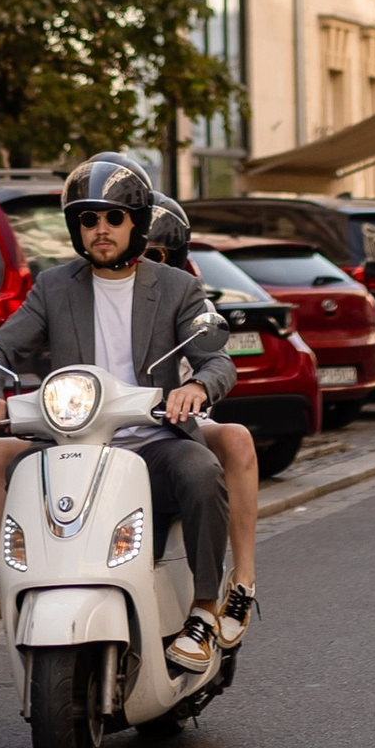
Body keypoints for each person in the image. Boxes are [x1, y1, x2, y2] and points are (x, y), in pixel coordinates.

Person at [0, 151, 234, 670]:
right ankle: (22, 588)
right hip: (72, 443)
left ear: (136, 223)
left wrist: (198, 388)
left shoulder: (177, 287)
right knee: (14, 473)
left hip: (153, 442)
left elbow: (217, 359)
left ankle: (204, 611)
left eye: (114, 217)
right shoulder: (53, 286)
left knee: (201, 470)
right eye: (88, 220)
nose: (101, 230)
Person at [141, 197, 259, 650]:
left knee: (235, 439)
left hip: (175, 422)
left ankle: (241, 583)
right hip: (99, 425)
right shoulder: (82, 288)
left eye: (153, 254)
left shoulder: (184, 293)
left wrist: (193, 389)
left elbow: (212, 361)